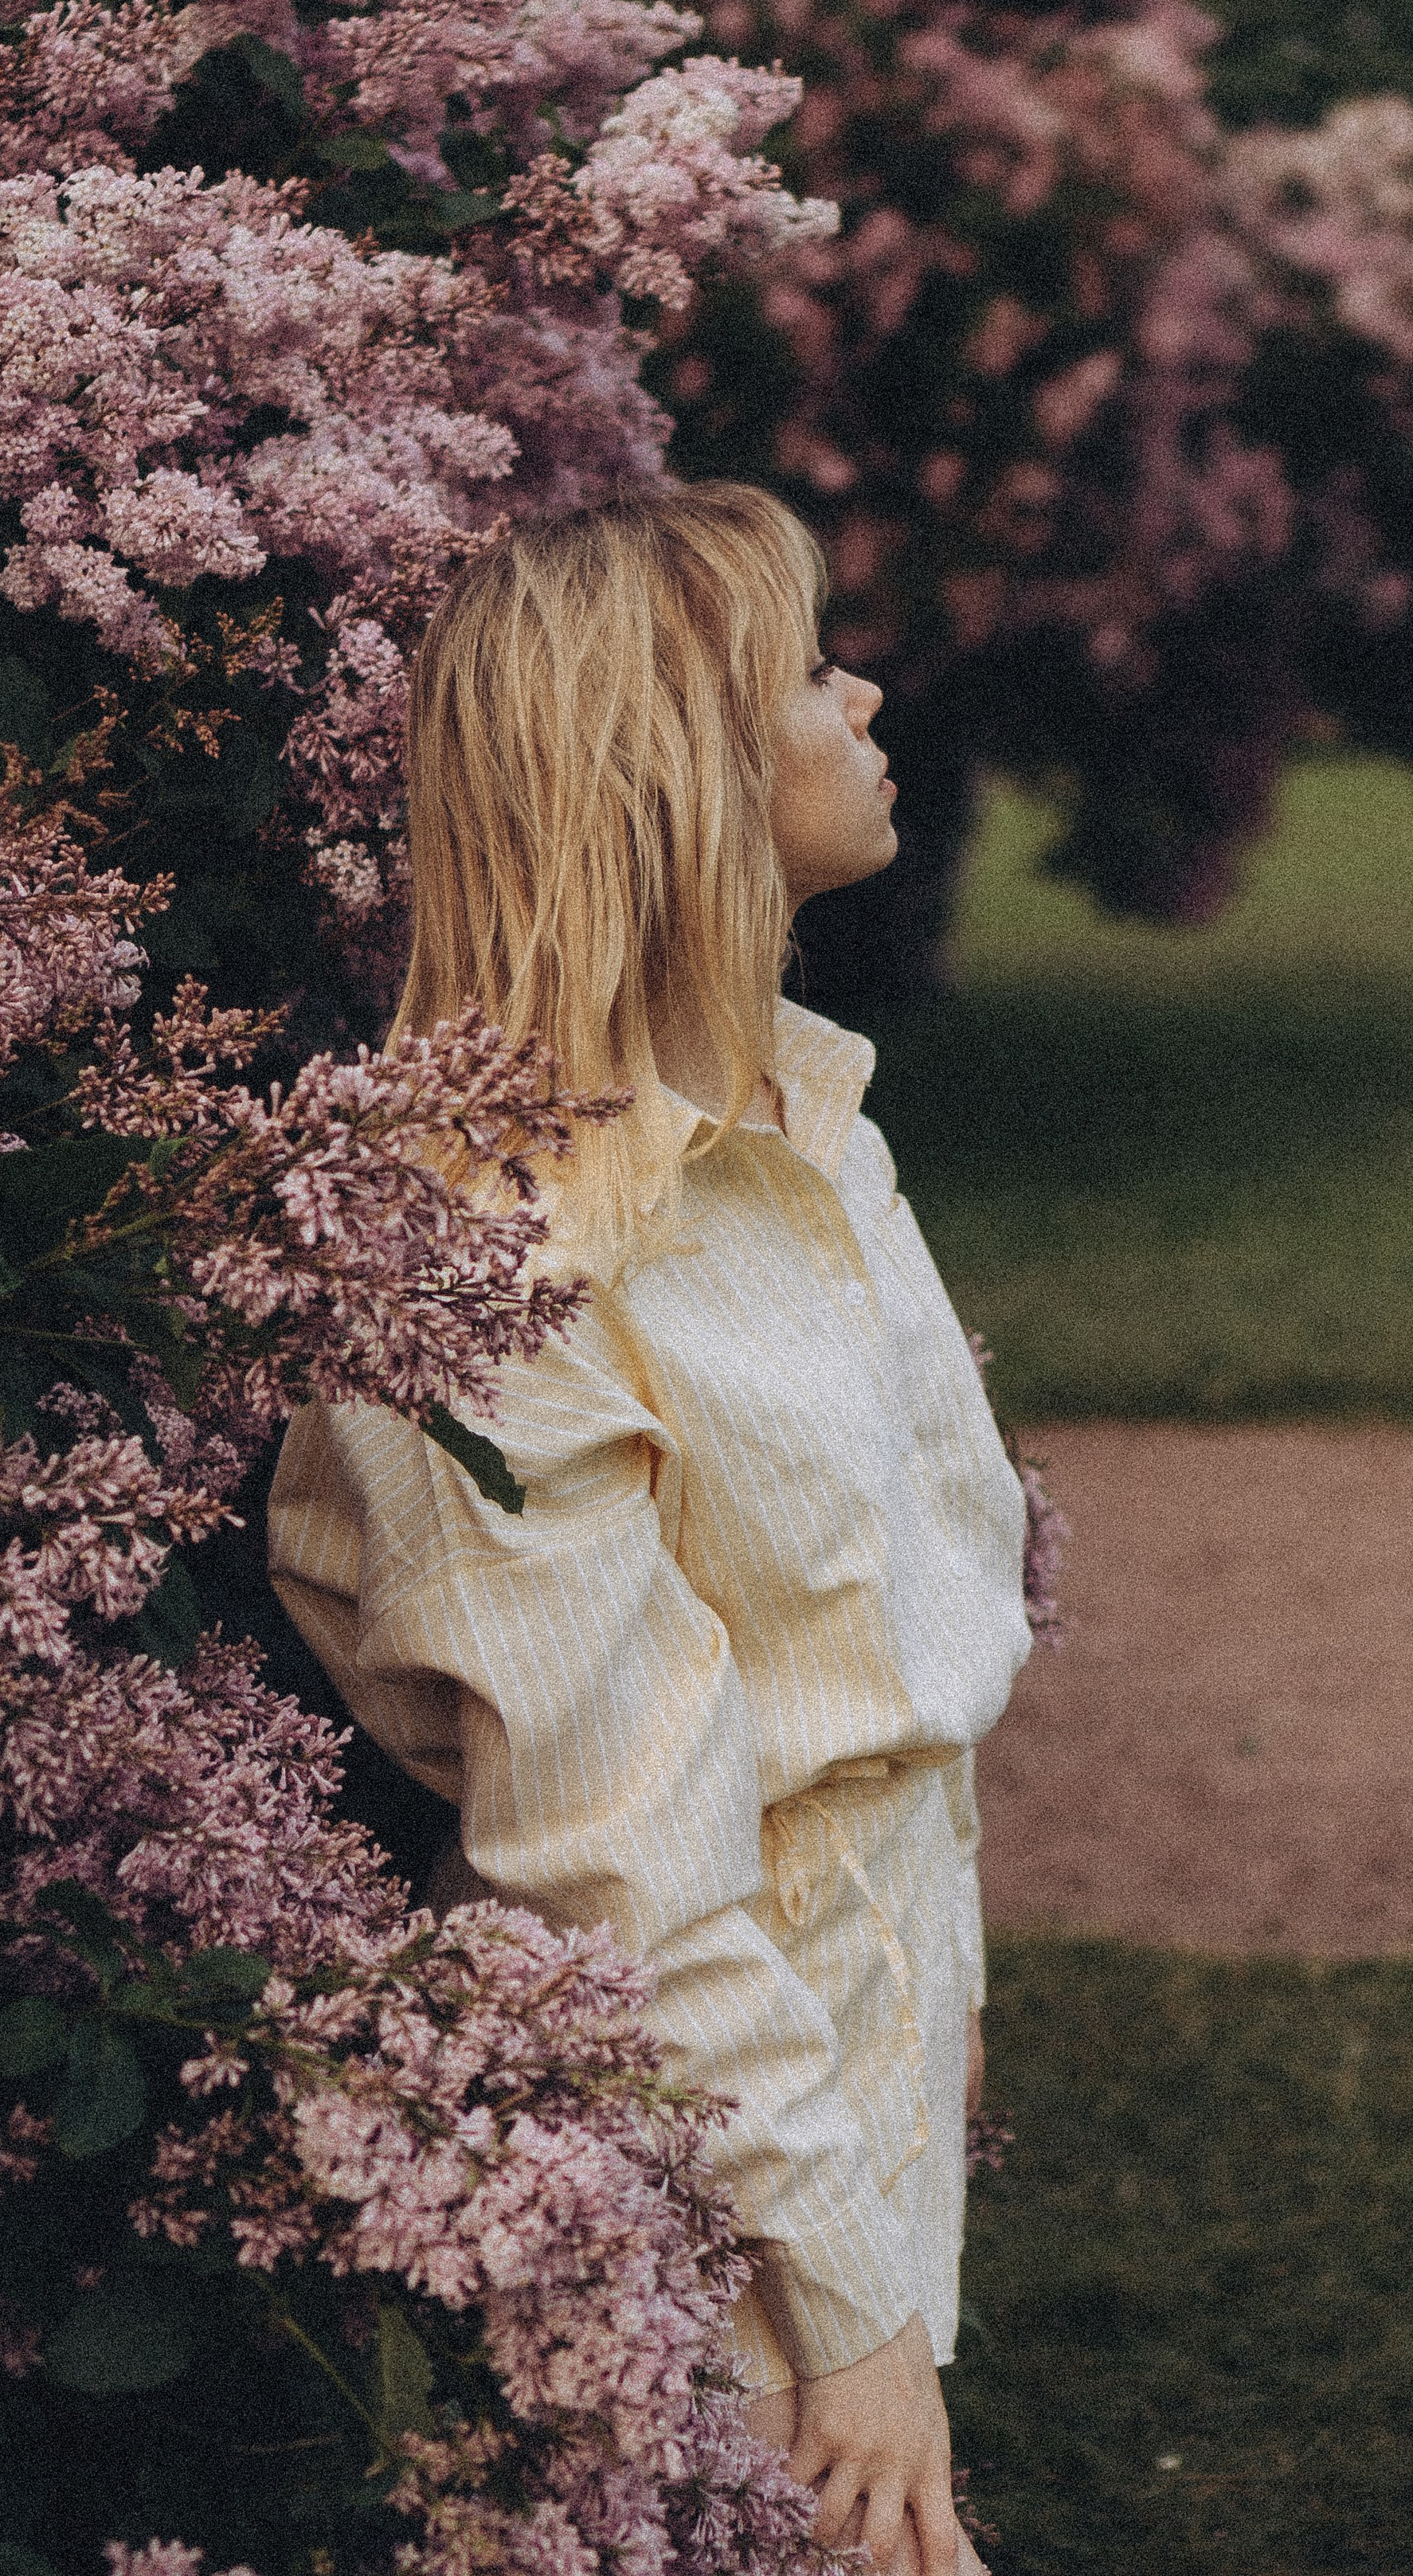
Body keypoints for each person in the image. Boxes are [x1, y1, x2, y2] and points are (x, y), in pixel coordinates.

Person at [267, 487, 1031, 2576]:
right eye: (808, 666)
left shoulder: (816, 1128)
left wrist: (945, 1981)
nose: (863, 693)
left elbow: (890, 1643)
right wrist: (849, 2311)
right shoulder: (466, 1253)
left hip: (857, 2053)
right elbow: (622, 1861)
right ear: (671, 765)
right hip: (689, 2150)